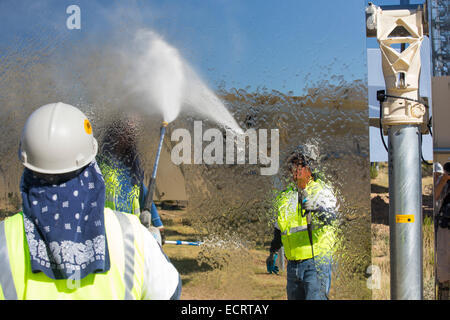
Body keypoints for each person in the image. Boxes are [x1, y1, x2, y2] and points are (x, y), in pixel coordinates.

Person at [0, 102, 181, 299]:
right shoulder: (134, 238)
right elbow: (169, 292)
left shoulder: (4, 240)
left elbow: (142, 192)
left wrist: (156, 222)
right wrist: (148, 244)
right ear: (91, 165)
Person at [266, 143, 338, 300]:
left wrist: (314, 210)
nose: (295, 169)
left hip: (316, 263)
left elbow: (331, 220)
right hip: (293, 266)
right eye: (293, 164)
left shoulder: (322, 191)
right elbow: (280, 228)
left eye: (300, 164)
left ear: (310, 168)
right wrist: (273, 252)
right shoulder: (285, 196)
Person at [97, 118, 165, 244]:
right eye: (125, 130)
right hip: (107, 227)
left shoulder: (133, 164)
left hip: (131, 228)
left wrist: (158, 224)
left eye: (132, 133)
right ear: (114, 132)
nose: (129, 136)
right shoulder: (99, 160)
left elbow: (144, 193)